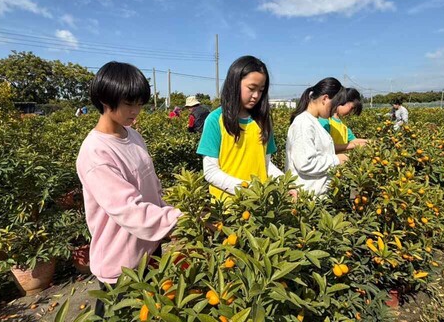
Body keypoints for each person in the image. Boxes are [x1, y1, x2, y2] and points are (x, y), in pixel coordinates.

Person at [76, 61, 182, 317]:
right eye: (128, 103)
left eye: (140, 103)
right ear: (104, 99)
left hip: (150, 249)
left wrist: (169, 209)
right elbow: (129, 210)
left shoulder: (133, 135)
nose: (136, 111)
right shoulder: (95, 153)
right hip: (120, 264)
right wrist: (180, 219)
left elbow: (151, 186)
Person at [196, 55, 283, 201]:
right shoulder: (215, 120)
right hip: (229, 208)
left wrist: (286, 183)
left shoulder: (262, 121)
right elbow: (210, 171)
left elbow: (265, 163)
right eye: (251, 88)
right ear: (234, 84)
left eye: (261, 90)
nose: (256, 95)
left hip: (259, 205)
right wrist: (246, 188)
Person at [286, 77, 348, 198]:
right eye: (335, 106)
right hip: (306, 200)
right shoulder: (303, 123)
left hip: (315, 198)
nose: (335, 111)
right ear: (325, 99)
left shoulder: (313, 122)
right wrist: (337, 160)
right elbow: (305, 163)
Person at [318, 88, 368, 152]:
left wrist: (370, 142)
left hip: (340, 160)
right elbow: (326, 147)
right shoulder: (325, 121)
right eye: (351, 108)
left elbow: (353, 139)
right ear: (343, 102)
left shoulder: (342, 122)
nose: (350, 112)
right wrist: (354, 145)